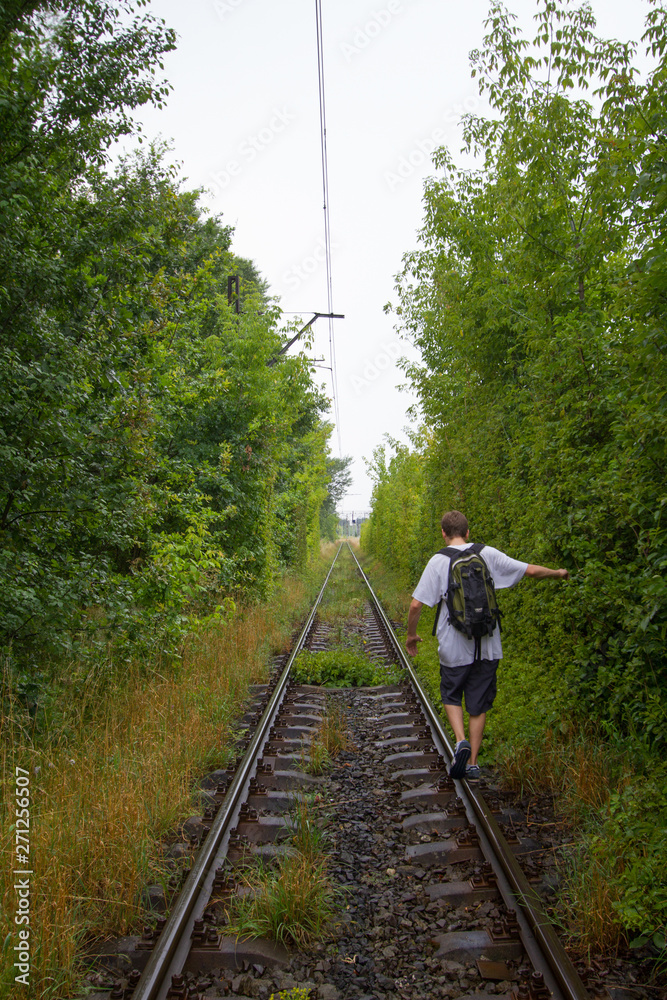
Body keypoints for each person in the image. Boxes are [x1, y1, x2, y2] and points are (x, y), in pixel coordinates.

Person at [406, 510, 569, 780]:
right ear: (468, 532)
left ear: (443, 533)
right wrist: (558, 573)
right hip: (488, 645)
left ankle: (460, 741)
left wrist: (411, 635)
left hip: (454, 647)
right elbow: (529, 570)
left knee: (451, 694)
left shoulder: (438, 561)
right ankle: (472, 763)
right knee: (478, 703)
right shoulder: (487, 554)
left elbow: (415, 605)